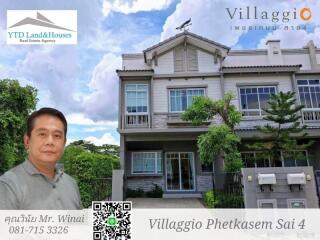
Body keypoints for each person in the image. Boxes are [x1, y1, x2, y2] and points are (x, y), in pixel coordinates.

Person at [0, 107, 82, 209]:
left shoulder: (71, 184)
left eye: (57, 136)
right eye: (42, 134)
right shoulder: (8, 186)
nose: (50, 142)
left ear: (64, 143)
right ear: (27, 141)